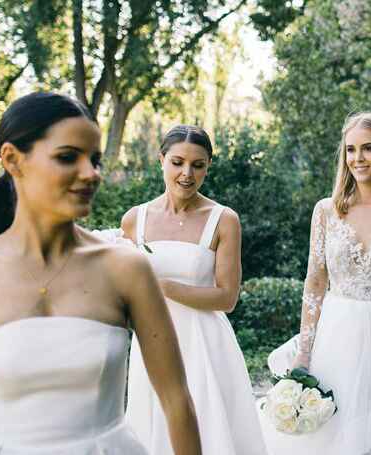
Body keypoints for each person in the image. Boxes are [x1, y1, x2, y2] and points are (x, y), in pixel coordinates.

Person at [0, 92, 200, 454]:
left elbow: (177, 401)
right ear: (13, 160)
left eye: (95, 160)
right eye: (67, 157)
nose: (91, 174)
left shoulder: (126, 269)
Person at [261, 112, 371, 454]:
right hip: (335, 335)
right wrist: (304, 353)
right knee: (332, 432)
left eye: (368, 149)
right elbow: (314, 284)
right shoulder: (326, 211)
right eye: (351, 150)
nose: (358, 158)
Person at [121, 125, 267, 455]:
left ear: (208, 167)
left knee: (208, 429)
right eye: (178, 162)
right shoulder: (134, 220)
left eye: (198, 165)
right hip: (151, 342)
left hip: (203, 342)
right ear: (161, 160)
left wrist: (163, 287)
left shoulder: (224, 220)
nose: (187, 174)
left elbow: (227, 297)